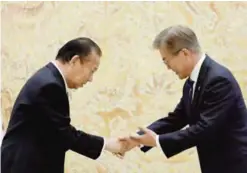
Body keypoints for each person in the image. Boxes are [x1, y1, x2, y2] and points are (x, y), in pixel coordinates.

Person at [121, 25, 247, 173]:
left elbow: (203, 129)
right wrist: (137, 138)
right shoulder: (193, 81)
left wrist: (156, 141)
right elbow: (177, 119)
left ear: (184, 53)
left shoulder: (218, 80)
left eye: (166, 61)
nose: (168, 68)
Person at [1, 37, 126, 173]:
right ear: (75, 61)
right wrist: (108, 144)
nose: (91, 79)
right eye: (92, 71)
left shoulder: (48, 78)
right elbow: (64, 134)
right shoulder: (50, 85)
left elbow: (56, 134)